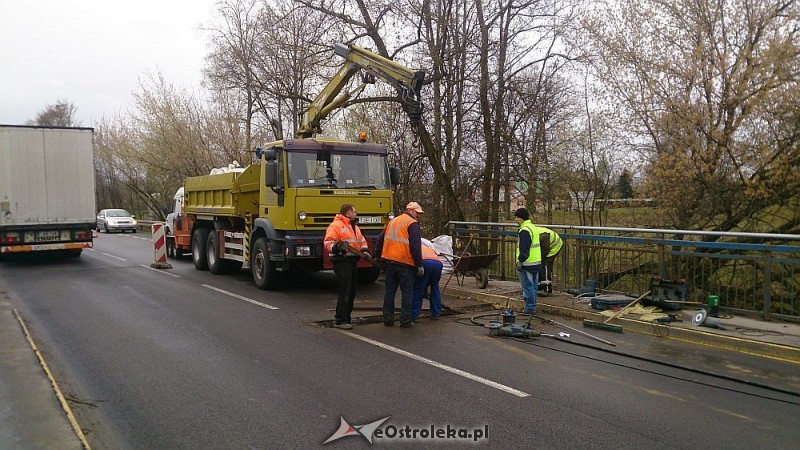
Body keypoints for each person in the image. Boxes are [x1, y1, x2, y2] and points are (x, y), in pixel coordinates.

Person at [375, 202, 424, 328]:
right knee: (407, 292)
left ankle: (387, 319)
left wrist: (378, 256)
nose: (419, 216)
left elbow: (381, 239)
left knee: (389, 291)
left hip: (389, 262)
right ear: (411, 211)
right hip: (405, 263)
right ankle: (405, 321)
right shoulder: (412, 224)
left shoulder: (393, 221)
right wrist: (419, 264)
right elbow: (415, 246)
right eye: (417, 213)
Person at [324, 203, 370, 330]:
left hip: (352, 261)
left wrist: (365, 250)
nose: (356, 214)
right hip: (342, 261)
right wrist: (337, 248)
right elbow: (328, 242)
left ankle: (346, 318)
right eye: (354, 212)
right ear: (348, 213)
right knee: (345, 290)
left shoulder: (353, 226)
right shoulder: (336, 225)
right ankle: (340, 319)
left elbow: (361, 240)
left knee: (351, 290)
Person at [513, 207, 542, 314]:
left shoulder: (524, 230)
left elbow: (524, 249)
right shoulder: (533, 227)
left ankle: (529, 309)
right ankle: (532, 306)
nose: (515, 219)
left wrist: (520, 261)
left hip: (526, 264)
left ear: (522, 218)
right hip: (536, 262)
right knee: (533, 287)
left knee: (528, 287)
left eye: (517, 217)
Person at [412, 240, 444, 321]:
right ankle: (436, 313)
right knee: (435, 287)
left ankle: (414, 315)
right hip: (438, 264)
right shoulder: (429, 248)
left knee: (418, 289)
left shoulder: (415, 249)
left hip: (425, 263)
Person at [536, 225, 563, 294]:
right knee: (540, 264)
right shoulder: (533, 233)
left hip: (554, 246)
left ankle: (546, 288)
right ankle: (540, 286)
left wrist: (540, 258)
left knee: (545, 265)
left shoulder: (542, 236)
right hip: (547, 245)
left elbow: (545, 249)